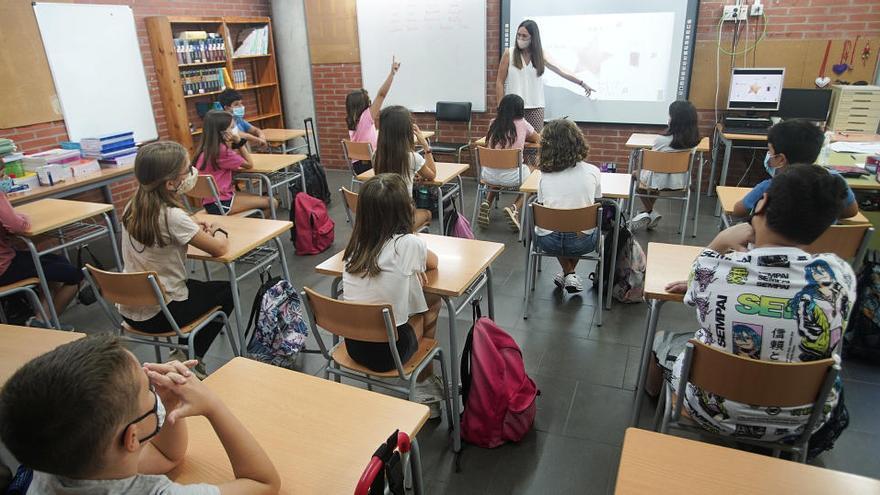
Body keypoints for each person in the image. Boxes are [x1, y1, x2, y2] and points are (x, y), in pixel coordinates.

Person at [663, 164, 856, 443]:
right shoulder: (839, 274)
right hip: (804, 423)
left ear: (762, 202)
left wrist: (718, 243)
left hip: (711, 412)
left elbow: (693, 290)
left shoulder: (715, 268)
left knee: (668, 344)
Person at [0, 334, 281, 494]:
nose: (154, 384)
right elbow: (263, 482)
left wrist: (167, 407)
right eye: (147, 387)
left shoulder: (51, 462)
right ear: (131, 437)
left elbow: (168, 457)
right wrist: (213, 406)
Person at [120, 141, 234, 378]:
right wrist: (219, 229)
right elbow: (219, 249)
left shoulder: (132, 207)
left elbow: (173, 224)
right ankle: (188, 357)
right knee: (226, 291)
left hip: (129, 308)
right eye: (186, 170)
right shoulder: (172, 217)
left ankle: (182, 350)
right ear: (171, 183)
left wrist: (191, 223)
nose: (191, 173)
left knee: (199, 289)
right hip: (162, 313)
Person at [342, 173, 445, 418]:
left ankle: (423, 382)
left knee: (402, 295)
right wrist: (414, 263)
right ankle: (424, 384)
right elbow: (434, 262)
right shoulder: (408, 244)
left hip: (353, 346)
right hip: (391, 354)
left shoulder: (354, 246)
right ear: (404, 210)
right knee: (433, 303)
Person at [732, 118, 859, 219]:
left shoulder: (770, 187)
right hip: (825, 249)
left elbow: (738, 211)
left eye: (770, 151)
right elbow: (852, 212)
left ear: (781, 159)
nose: (769, 155)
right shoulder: (836, 182)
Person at [535, 119, 602, 293]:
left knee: (556, 223)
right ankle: (570, 272)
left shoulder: (544, 175)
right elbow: (596, 202)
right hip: (584, 243)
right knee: (582, 223)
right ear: (578, 142)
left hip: (548, 242)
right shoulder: (593, 171)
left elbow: (543, 205)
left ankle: (567, 273)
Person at [0, 180, 81, 325]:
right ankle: (44, 323)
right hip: (4, 267)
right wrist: (22, 217)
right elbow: (18, 226)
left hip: (6, 260)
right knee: (75, 275)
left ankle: (42, 318)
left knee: (57, 262)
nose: (5, 179)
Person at [494, 19, 595, 134]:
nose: (520, 38)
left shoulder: (540, 54)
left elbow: (560, 70)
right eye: (518, 35)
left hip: (535, 107)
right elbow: (499, 82)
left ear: (533, 38)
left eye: (524, 36)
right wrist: (500, 108)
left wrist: (582, 83)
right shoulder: (509, 53)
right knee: (512, 141)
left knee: (534, 145)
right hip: (512, 108)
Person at [630, 100, 701, 231]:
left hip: (658, 180)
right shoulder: (694, 140)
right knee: (652, 179)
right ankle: (649, 213)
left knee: (636, 175)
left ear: (674, 119)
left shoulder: (661, 140)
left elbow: (651, 166)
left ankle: (649, 212)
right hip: (681, 182)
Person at [193, 110, 277, 217]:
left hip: (210, 201)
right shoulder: (222, 151)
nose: (235, 130)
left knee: (257, 197)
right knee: (272, 202)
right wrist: (239, 142)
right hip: (221, 203)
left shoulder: (205, 149)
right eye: (232, 128)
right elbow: (249, 164)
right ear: (223, 132)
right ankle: (254, 231)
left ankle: (250, 226)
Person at [478, 94, 540, 232]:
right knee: (534, 174)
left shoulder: (493, 122)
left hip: (488, 175)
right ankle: (514, 209)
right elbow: (538, 139)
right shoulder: (523, 123)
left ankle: (487, 202)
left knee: (499, 169)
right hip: (513, 177)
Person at [373, 105, 437, 228]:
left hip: (381, 218)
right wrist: (425, 146)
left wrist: (411, 175)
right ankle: (410, 241)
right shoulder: (412, 158)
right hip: (403, 220)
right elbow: (432, 174)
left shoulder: (377, 155)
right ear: (407, 131)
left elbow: (390, 177)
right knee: (428, 213)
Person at [346, 57, 400, 174]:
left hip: (357, 167)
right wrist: (392, 74)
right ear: (363, 104)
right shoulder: (366, 117)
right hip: (372, 165)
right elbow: (381, 94)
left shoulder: (351, 119)